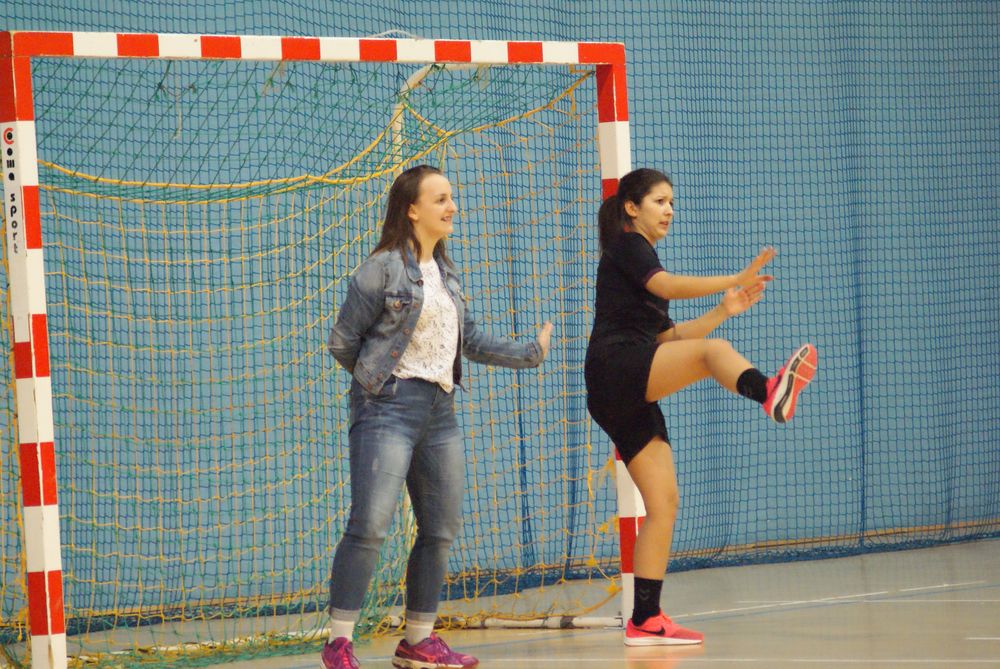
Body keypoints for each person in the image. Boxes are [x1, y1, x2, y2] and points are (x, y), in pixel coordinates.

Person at [322, 164, 554, 669]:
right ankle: (338, 644)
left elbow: (470, 340)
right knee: (370, 525)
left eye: (451, 197)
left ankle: (418, 642)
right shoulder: (381, 268)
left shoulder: (447, 275)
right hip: (388, 408)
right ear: (412, 209)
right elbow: (343, 342)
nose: (452, 207)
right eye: (441, 199)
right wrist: (378, 385)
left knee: (439, 529)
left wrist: (529, 353)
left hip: (440, 412)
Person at [584, 168, 817, 646]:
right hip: (617, 368)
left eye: (672, 202)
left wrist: (723, 310)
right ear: (632, 207)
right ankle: (769, 391)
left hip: (624, 383)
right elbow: (668, 287)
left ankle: (645, 619)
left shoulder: (641, 261)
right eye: (660, 201)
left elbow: (668, 340)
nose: (669, 210)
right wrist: (735, 277)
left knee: (664, 503)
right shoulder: (629, 246)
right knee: (715, 353)